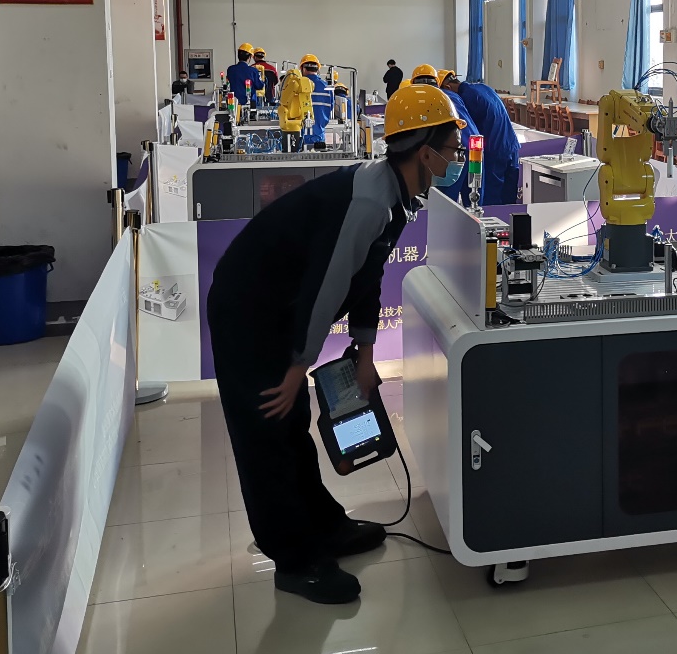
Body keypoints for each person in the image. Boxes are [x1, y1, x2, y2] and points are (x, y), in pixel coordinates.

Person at [207, 84, 465, 605]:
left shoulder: (395, 195)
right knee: (266, 432)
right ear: (425, 153)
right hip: (247, 310)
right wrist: (297, 365)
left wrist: (365, 354)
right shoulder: (370, 200)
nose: (456, 159)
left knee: (292, 423)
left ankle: (323, 527)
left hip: (279, 308)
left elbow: (367, 275)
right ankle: (294, 560)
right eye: (451, 148)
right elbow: (324, 288)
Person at [441, 68, 520, 206]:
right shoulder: (483, 87)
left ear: (447, 88)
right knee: (509, 201)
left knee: (491, 202)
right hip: (511, 147)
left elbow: (468, 131)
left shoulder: (466, 97)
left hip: (493, 152)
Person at [413, 65, 478, 204]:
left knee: (445, 202)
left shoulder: (422, 100)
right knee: (473, 199)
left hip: (452, 153)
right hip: (474, 148)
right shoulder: (452, 95)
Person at [277, 59, 313, 151]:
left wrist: (308, 115)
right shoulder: (295, 84)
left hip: (296, 122)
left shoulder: (296, 84)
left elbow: (306, 102)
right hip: (290, 122)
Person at [300, 55, 332, 149]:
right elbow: (331, 108)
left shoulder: (298, 84)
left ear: (302, 68)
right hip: (319, 136)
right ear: (318, 69)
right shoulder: (326, 87)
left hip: (300, 136)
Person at [226, 43, 264, 109]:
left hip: (233, 104)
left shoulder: (230, 69)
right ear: (249, 57)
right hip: (249, 104)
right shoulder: (253, 71)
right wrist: (263, 80)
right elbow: (259, 86)